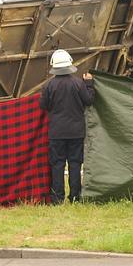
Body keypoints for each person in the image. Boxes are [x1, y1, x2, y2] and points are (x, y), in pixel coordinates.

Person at [39, 49, 95, 205]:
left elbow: (43, 105)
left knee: (57, 165)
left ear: (54, 66)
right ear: (70, 63)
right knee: (75, 164)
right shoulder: (78, 83)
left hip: (56, 132)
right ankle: (75, 197)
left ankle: (57, 199)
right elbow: (89, 101)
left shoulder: (49, 85)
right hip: (76, 132)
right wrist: (89, 84)